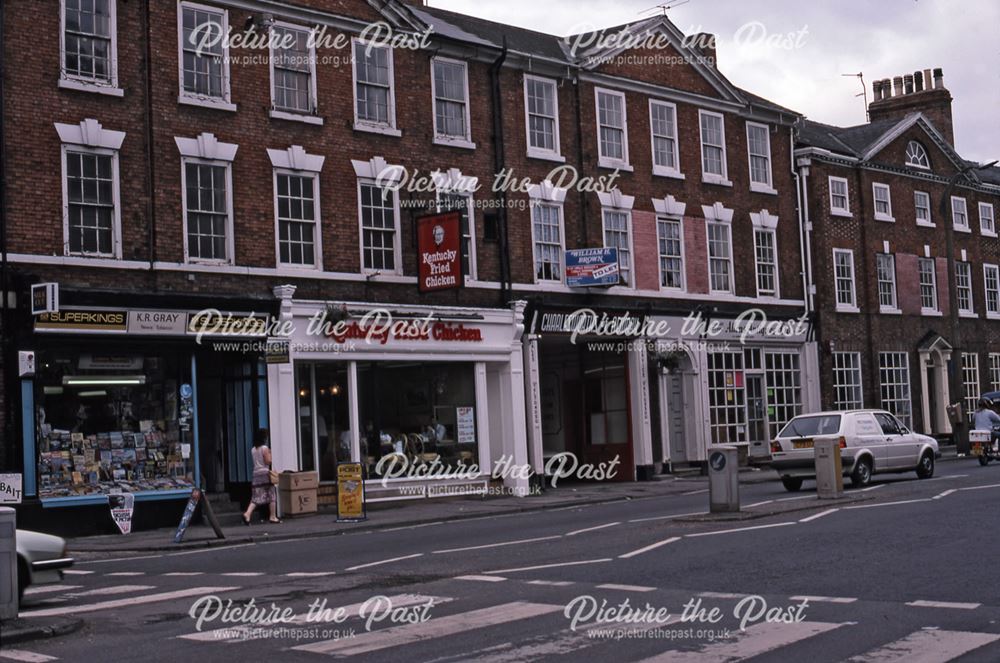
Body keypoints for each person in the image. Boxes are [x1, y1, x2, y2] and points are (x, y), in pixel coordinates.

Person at [243, 429, 280, 525]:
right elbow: (268, 462)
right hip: (265, 473)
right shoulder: (264, 448)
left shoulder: (253, 449)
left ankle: (247, 513)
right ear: (264, 438)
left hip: (256, 474)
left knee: (256, 497)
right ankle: (273, 516)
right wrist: (270, 454)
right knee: (272, 495)